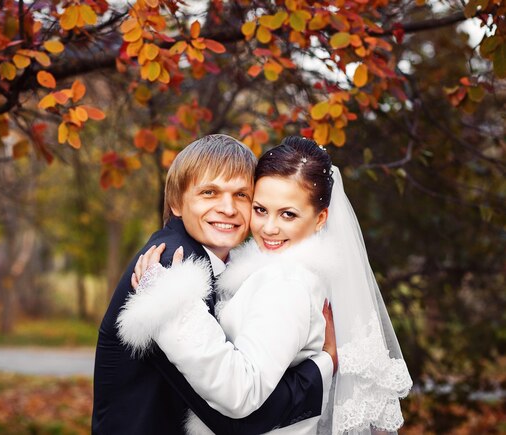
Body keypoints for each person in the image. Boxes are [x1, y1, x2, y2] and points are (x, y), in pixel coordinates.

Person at [120, 136, 413, 434]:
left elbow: (240, 393)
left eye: (288, 214)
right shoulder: (289, 274)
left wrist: (170, 297)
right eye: (260, 210)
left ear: (320, 218)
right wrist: (326, 361)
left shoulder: (285, 281)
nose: (269, 228)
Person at [92, 134, 336, 434]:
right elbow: (234, 420)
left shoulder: (218, 264)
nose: (228, 209)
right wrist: (323, 366)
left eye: (241, 195)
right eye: (210, 192)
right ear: (177, 202)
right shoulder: (170, 269)